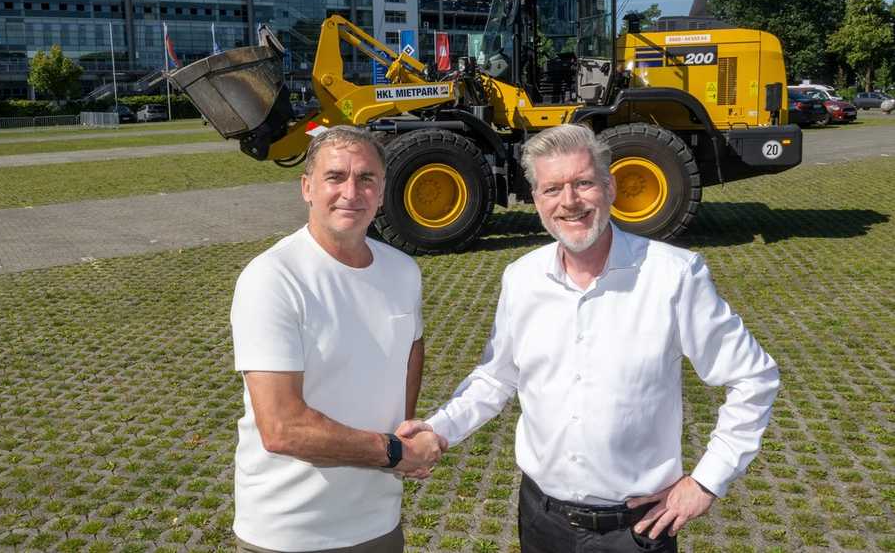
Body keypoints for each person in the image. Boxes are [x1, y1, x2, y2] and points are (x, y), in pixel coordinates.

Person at [402, 124, 780, 553]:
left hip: (636, 529)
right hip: (542, 521)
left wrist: (708, 480)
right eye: (552, 189)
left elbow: (754, 377)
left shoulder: (673, 276)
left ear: (610, 187)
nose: (569, 202)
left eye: (583, 183)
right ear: (536, 200)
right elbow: (496, 378)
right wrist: (438, 430)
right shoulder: (522, 278)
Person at [231, 126, 445, 553]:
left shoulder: (403, 271)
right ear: (307, 187)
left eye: (366, 178)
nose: (352, 191)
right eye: (335, 177)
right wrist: (395, 453)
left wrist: (405, 425)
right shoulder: (272, 279)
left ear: (382, 192)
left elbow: (411, 348)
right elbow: (282, 428)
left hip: (379, 522)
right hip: (290, 531)